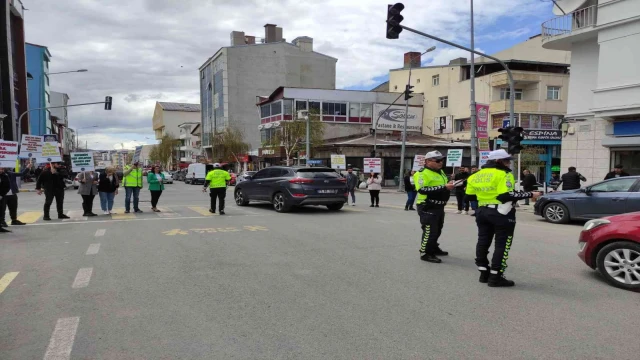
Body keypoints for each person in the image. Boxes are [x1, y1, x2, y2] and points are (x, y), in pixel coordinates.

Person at [466, 149, 541, 287]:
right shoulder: (503, 174)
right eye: (506, 161)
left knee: (483, 241)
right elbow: (505, 195)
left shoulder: (475, 175)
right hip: (501, 213)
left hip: (482, 212)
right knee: (502, 244)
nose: (509, 164)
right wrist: (531, 195)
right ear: (497, 161)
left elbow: (469, 196)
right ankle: (496, 276)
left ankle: (483, 273)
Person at [413, 151, 455, 263]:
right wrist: (444, 187)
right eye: (437, 160)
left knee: (437, 229)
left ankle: (434, 247)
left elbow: (443, 187)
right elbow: (422, 189)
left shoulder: (440, 172)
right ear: (427, 161)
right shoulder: (422, 173)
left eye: (441, 160)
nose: (440, 162)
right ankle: (425, 253)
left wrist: (451, 184)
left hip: (439, 206)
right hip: (427, 205)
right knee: (429, 231)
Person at [0, 163, 32, 227]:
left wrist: (28, 167)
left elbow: (21, 174)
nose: (1, 170)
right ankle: (2, 221)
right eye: (0, 168)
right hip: (3, 195)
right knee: (2, 209)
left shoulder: (10, 173)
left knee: (13, 208)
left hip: (12, 194)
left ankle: (14, 220)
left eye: (2, 168)